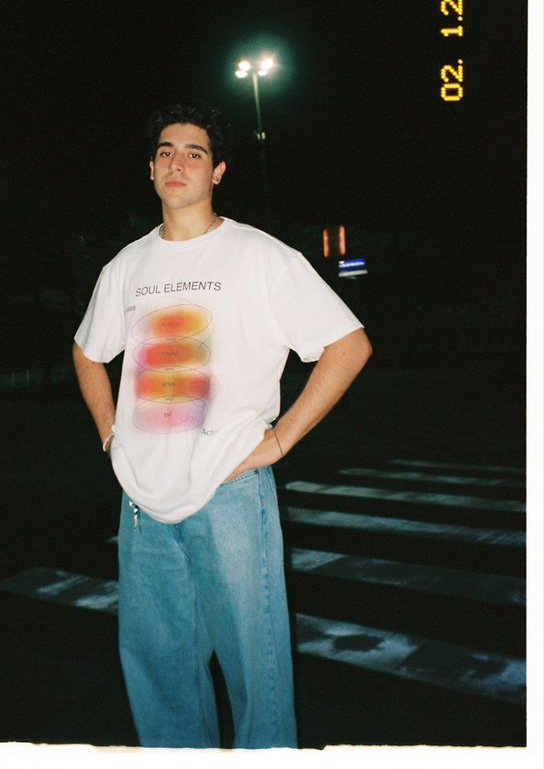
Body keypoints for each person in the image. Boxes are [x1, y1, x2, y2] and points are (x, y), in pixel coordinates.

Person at [72, 100, 372, 750]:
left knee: (256, 678)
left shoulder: (258, 256)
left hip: (230, 490)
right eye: (166, 153)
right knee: (161, 676)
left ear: (218, 172)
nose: (178, 163)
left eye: (195, 153)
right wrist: (110, 432)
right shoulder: (124, 267)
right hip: (143, 505)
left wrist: (280, 439)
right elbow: (87, 352)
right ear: (150, 170)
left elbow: (347, 344)